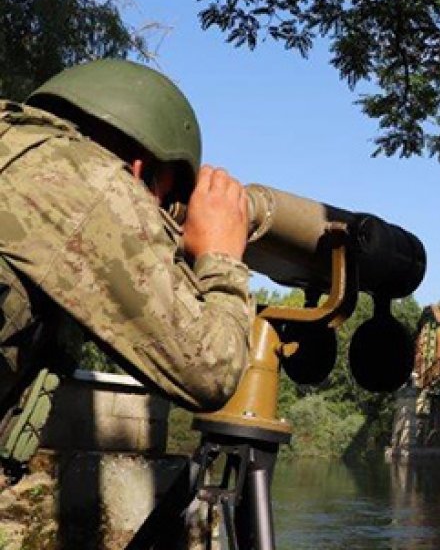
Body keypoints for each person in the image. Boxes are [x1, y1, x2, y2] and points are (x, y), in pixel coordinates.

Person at [0, 59, 253, 430]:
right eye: (162, 200)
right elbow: (209, 370)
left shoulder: (17, 145)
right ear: (139, 169)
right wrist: (222, 256)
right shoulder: (90, 180)